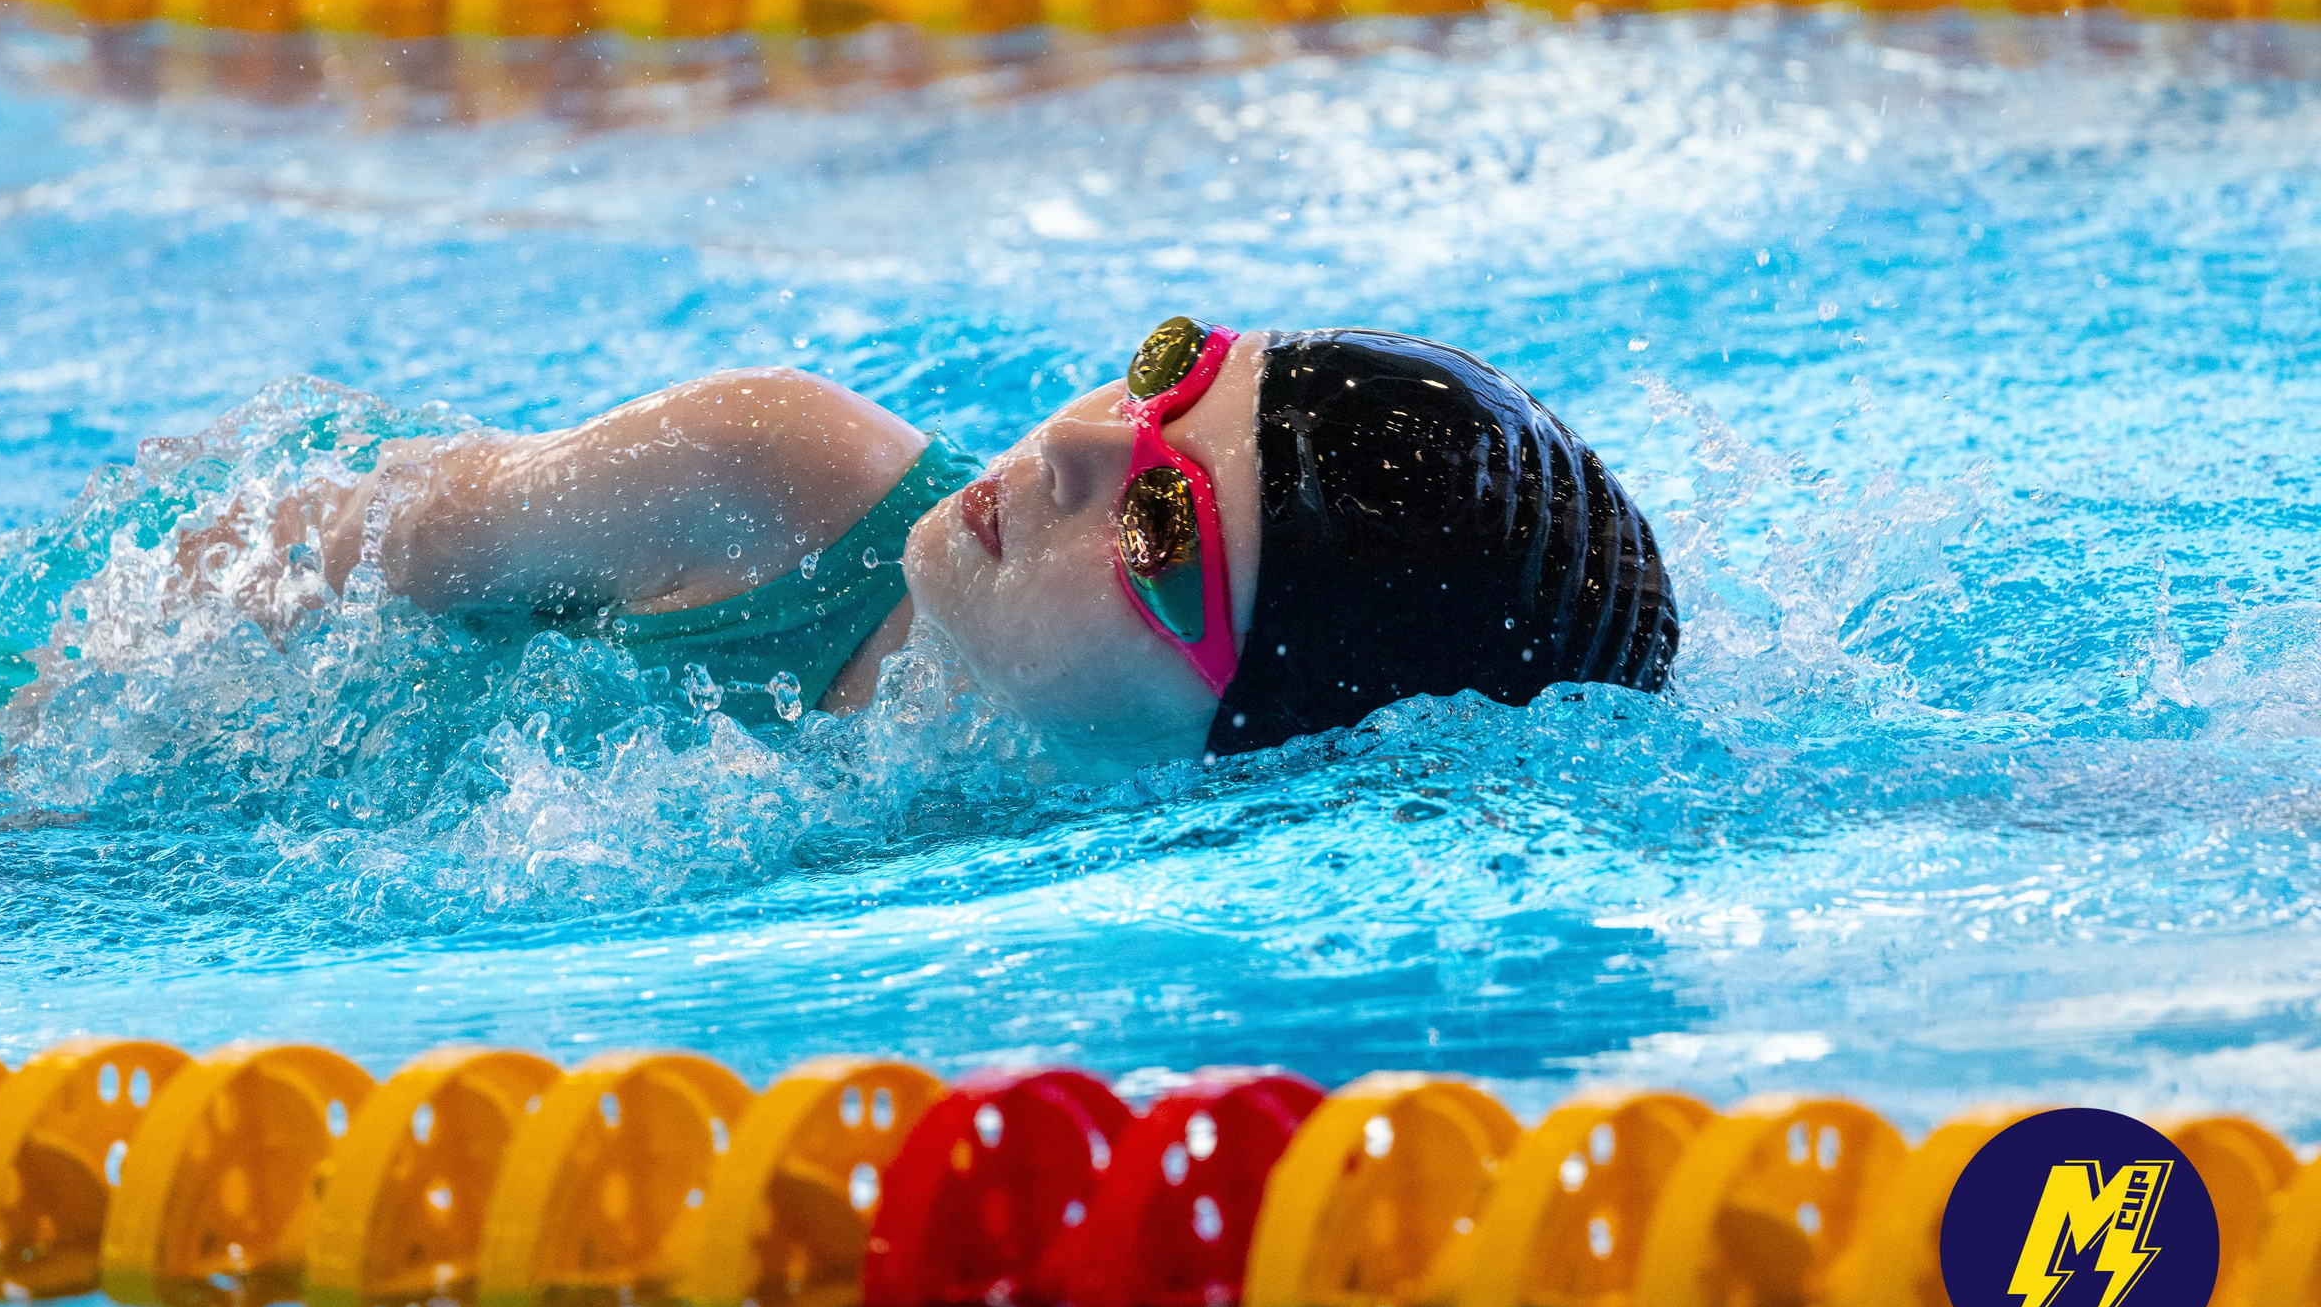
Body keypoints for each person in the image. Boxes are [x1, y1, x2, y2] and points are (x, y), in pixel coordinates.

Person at [175, 320, 1681, 767]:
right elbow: (283, 554)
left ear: (1252, 738)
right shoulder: (767, 474)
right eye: (1169, 372)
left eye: (1160, 516)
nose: (1082, 441)